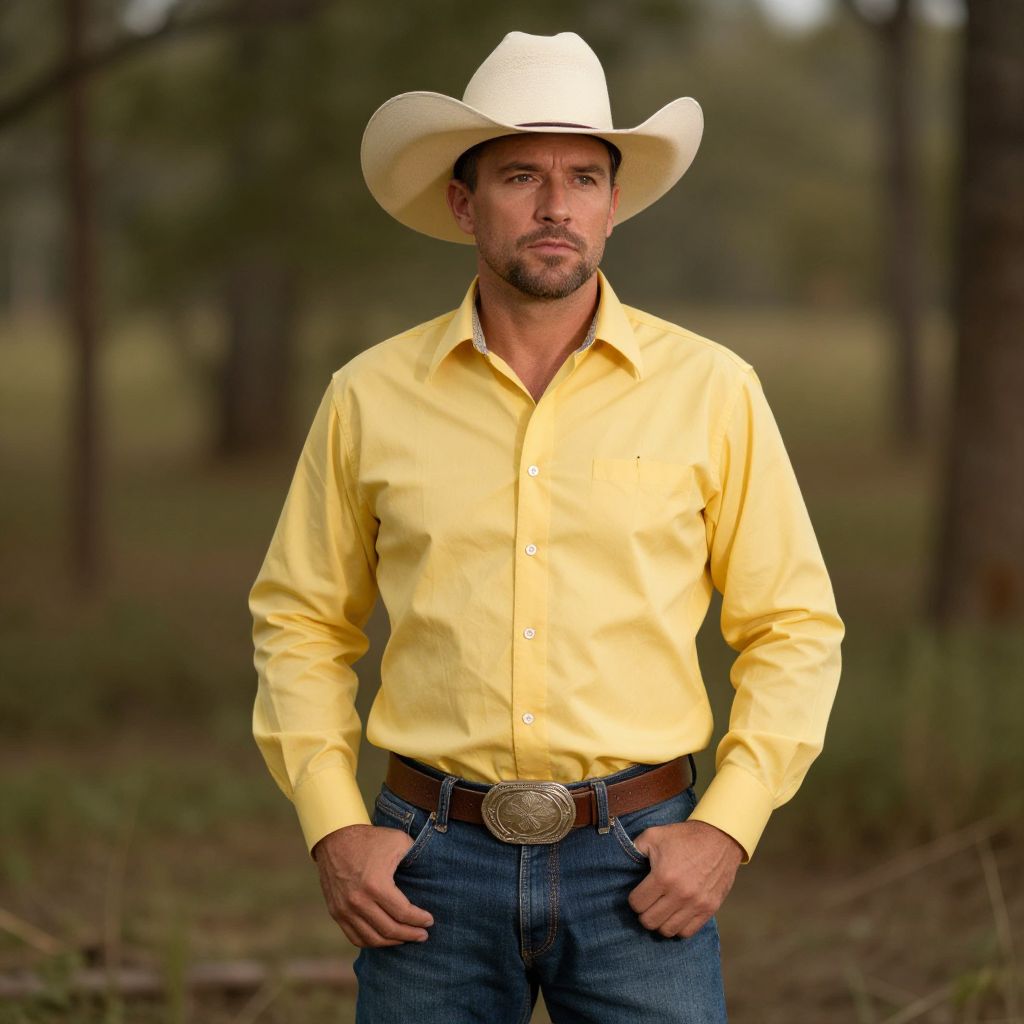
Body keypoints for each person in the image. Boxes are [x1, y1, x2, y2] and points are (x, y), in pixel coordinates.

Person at [249, 30, 844, 1023]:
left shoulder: (712, 391)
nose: (554, 204)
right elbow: (299, 620)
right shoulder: (369, 395)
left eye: (583, 177)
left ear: (615, 204)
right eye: (519, 174)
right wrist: (333, 827)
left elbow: (792, 627)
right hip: (425, 868)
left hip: (642, 862)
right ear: (462, 199)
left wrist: (725, 829)